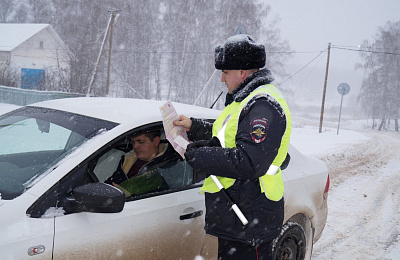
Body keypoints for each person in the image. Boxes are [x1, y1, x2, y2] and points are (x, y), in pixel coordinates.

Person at [174, 34, 292, 260]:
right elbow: (231, 136)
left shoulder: (263, 105)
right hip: (238, 213)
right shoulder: (244, 101)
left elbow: (249, 161)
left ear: (242, 72)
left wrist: (199, 156)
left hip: (250, 216)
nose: (222, 79)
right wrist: (194, 126)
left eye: (225, 72)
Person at [105, 130, 176, 196]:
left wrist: (128, 196)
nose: (135, 146)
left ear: (155, 141)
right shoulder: (127, 160)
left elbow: (161, 199)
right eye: (133, 142)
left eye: (141, 142)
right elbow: (110, 183)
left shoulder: (168, 167)